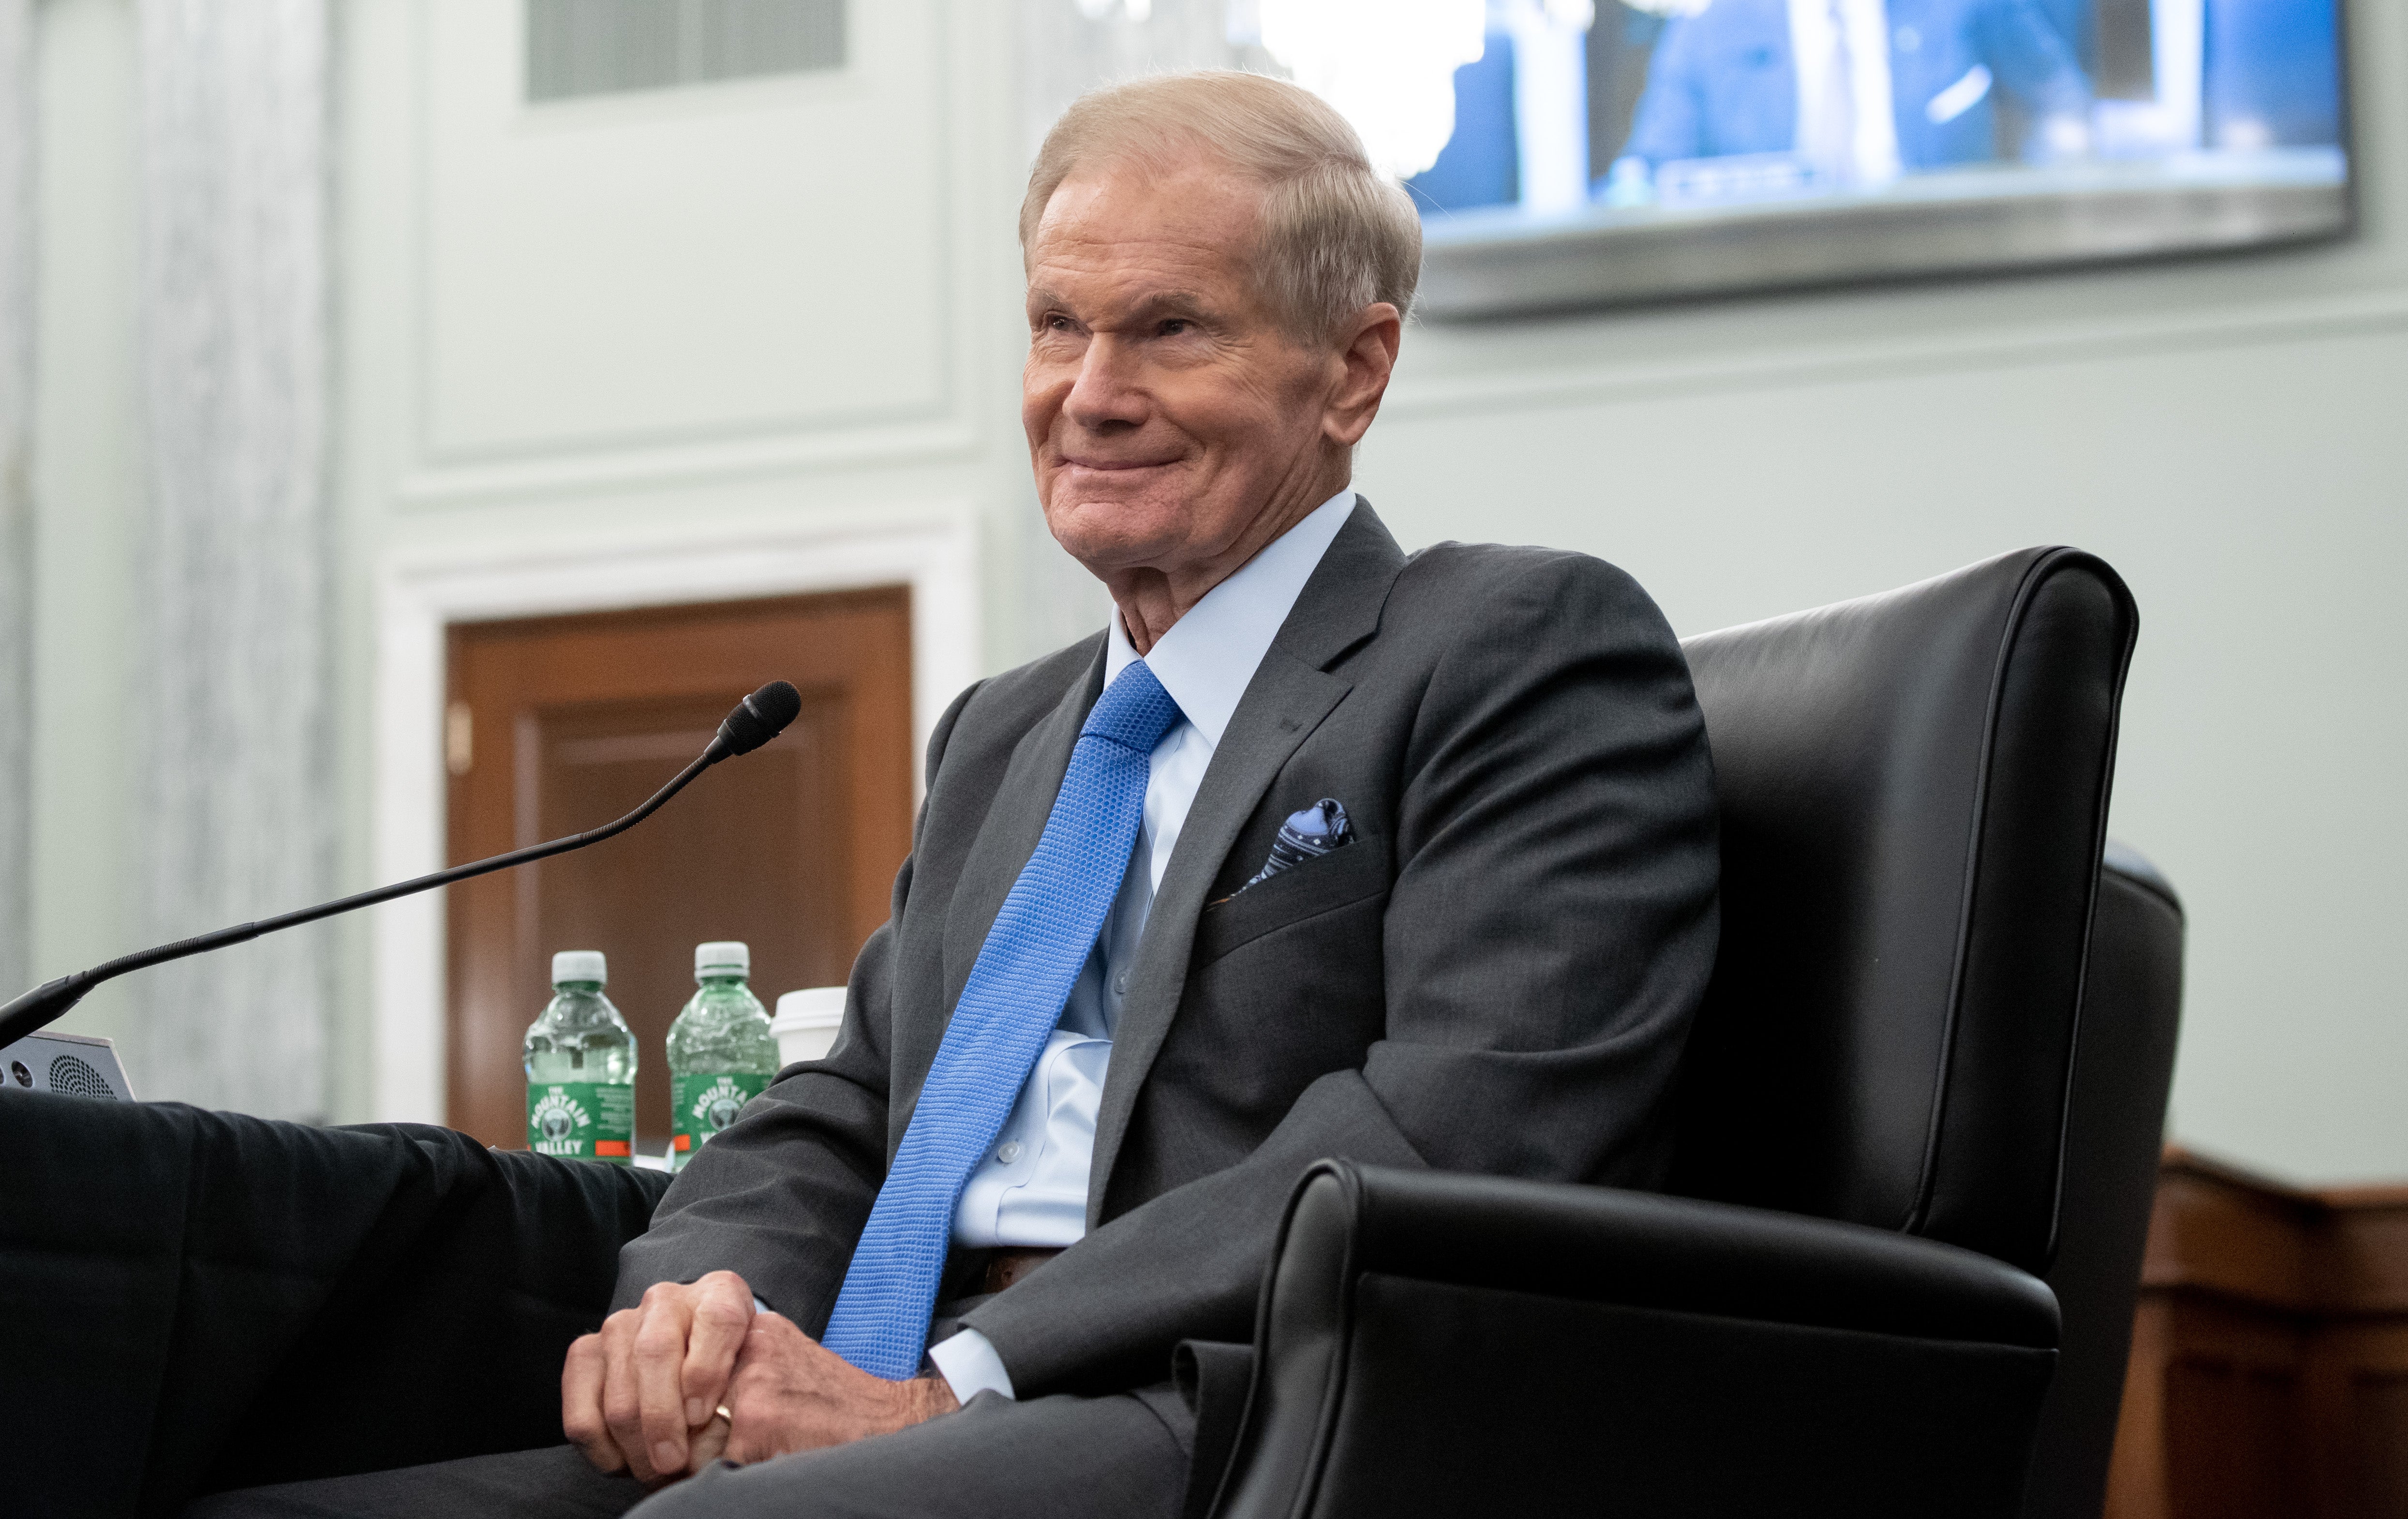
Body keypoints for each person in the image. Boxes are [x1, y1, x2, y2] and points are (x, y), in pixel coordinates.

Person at [193, 69, 1720, 1519]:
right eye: (1060, 326)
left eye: (1172, 329)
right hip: (888, 1400)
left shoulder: (1511, 648)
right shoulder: (1007, 735)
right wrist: (696, 1311)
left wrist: (953, 1387)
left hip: (1223, 1402)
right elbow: (849, 1106)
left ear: (1356, 370)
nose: (1091, 394)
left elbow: (1450, 1138)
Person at [1606, 0, 2091, 199]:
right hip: (1768, 300)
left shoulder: (1963, 5)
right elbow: (1648, 175)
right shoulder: (1708, 31)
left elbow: (2061, 104)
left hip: (1946, 283)